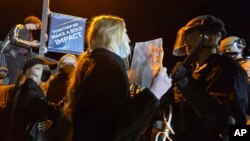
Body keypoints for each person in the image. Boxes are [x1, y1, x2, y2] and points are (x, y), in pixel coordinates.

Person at [63, 15, 172, 141]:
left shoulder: (95, 63)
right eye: (125, 32)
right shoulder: (109, 66)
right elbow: (115, 129)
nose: (129, 39)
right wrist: (154, 93)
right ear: (113, 34)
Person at [171, 15, 249, 141]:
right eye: (184, 40)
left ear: (209, 38)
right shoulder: (193, 72)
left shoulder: (228, 70)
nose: (186, 44)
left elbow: (229, 124)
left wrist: (186, 84)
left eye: (190, 38)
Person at [8, 57, 57, 141]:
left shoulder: (22, 88)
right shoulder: (32, 90)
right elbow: (47, 108)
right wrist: (54, 119)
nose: (48, 71)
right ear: (35, 71)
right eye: (44, 68)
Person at [2, 15, 42, 84]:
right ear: (31, 22)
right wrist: (30, 43)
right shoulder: (19, 27)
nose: (35, 29)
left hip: (23, 58)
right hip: (14, 55)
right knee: (14, 79)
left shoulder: (30, 33)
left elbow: (30, 45)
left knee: (20, 80)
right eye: (36, 26)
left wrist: (37, 44)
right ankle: (11, 93)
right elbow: (14, 39)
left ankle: (15, 92)